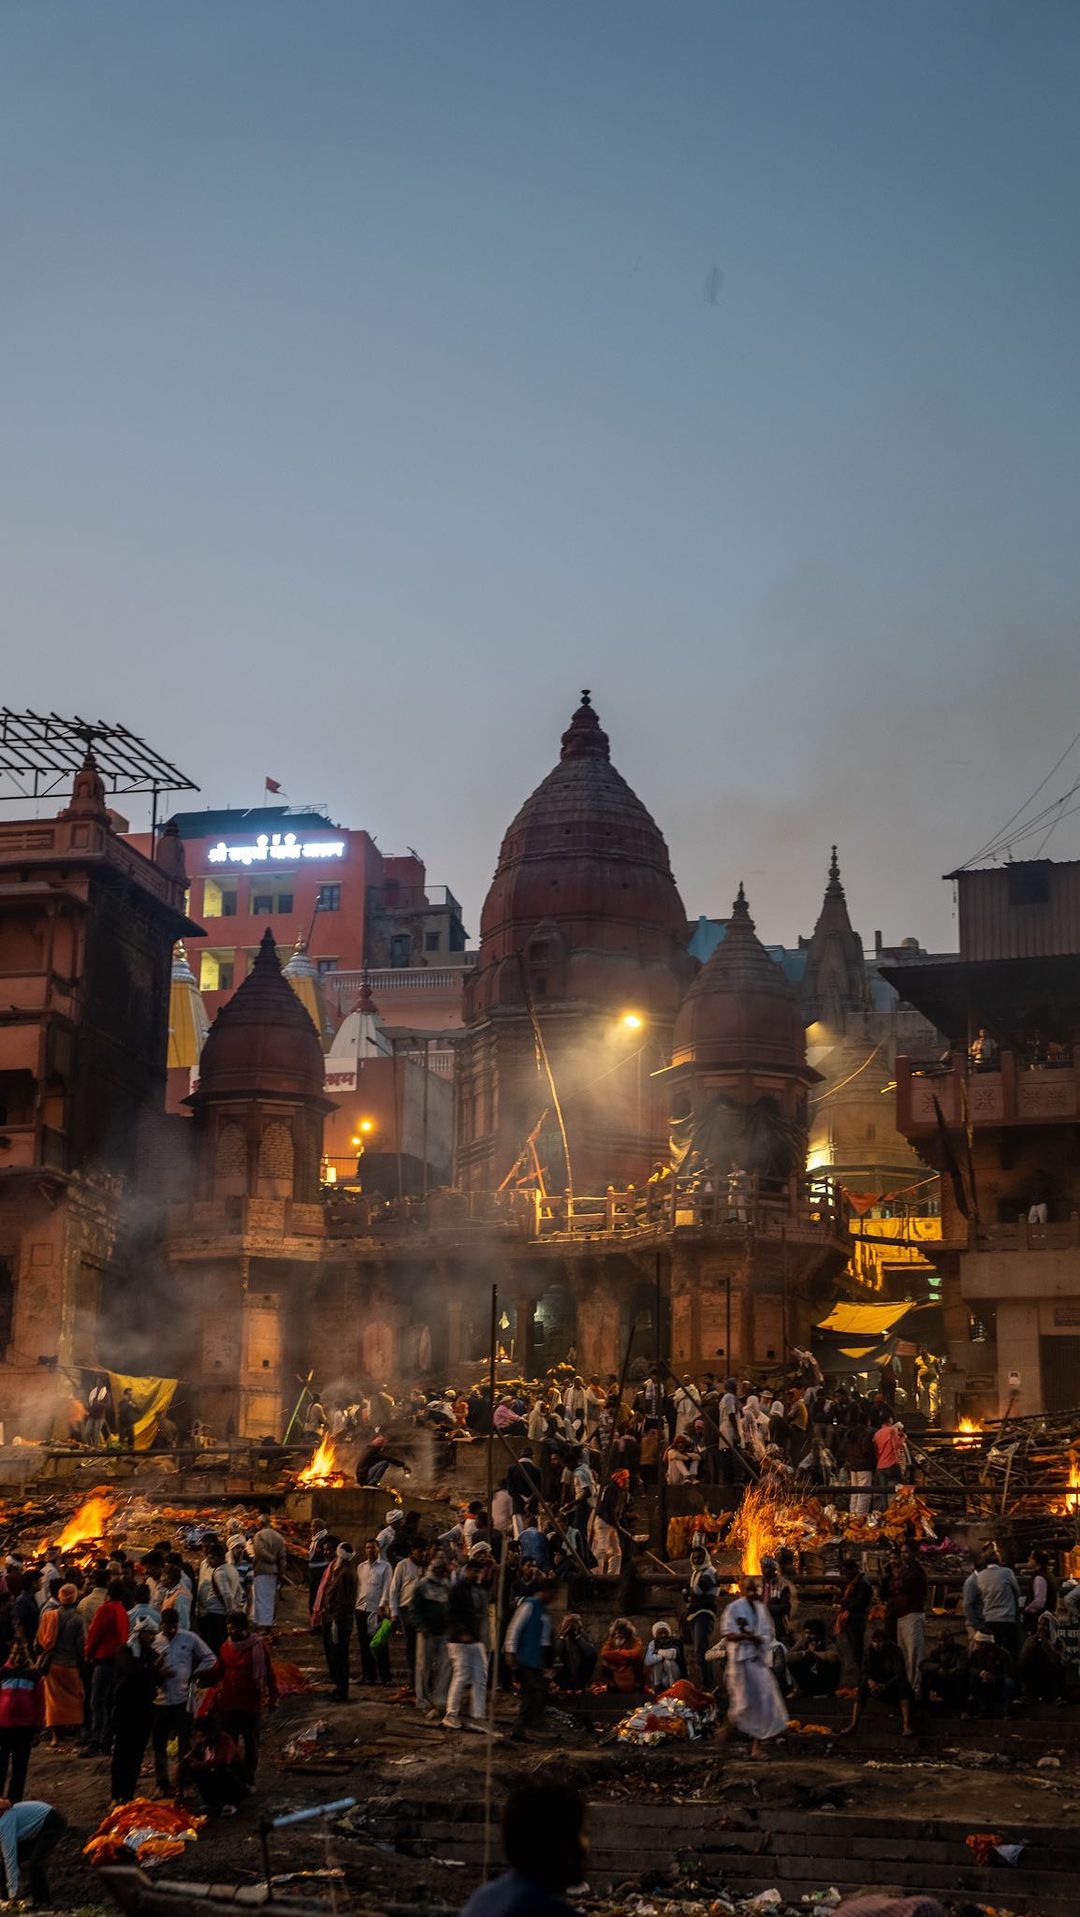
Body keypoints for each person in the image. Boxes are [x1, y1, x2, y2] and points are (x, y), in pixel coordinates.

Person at [459, 1783, 587, 1917]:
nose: (586, 1847)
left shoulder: (484, 1898)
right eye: (582, 1834)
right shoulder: (547, 1911)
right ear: (560, 1845)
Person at [152, 1610, 215, 1795]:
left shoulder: (189, 1638)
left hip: (183, 1699)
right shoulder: (154, 1641)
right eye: (168, 1626)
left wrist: (196, 1675)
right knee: (158, 1743)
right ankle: (161, 1783)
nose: (171, 1630)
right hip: (160, 1700)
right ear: (161, 1625)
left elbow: (210, 1657)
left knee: (186, 1742)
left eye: (174, 1626)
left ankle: (184, 1781)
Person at [212, 1611, 278, 1785]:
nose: (229, 1631)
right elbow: (218, 1671)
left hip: (251, 1705)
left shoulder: (258, 1646)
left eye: (233, 1628)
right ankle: (233, 1781)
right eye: (228, 1627)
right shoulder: (225, 1647)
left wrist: (273, 1697)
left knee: (251, 1747)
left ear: (243, 1629)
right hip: (229, 1705)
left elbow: (269, 1673)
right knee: (229, 1746)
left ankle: (248, 1780)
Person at [111, 1623, 162, 1804]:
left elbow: (157, 1676)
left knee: (136, 1754)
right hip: (125, 1708)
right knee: (122, 1754)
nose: (152, 1638)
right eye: (149, 1634)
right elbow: (133, 1670)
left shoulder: (150, 1654)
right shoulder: (125, 1650)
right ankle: (117, 1794)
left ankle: (128, 1794)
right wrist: (151, 1668)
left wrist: (152, 1669)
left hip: (144, 1709)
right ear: (140, 1634)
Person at [443, 1552, 489, 1733]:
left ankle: (478, 1716)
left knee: (481, 1675)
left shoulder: (476, 1588)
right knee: (461, 1675)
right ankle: (451, 1714)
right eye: (475, 1572)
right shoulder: (457, 1589)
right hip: (459, 1640)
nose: (478, 1575)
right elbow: (451, 1614)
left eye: (480, 1572)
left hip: (473, 1639)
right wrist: (461, 1632)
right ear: (468, 1570)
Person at [505, 1577, 555, 1741]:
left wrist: (548, 1661)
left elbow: (545, 1639)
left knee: (536, 1692)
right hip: (526, 1657)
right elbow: (514, 1629)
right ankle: (523, 1727)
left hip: (536, 1659)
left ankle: (529, 1725)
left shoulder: (543, 1611)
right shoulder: (529, 1606)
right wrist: (510, 1652)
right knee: (532, 1692)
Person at [84, 1579, 130, 1753]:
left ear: (108, 1594)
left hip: (103, 1659)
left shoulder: (106, 1609)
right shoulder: (122, 1610)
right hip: (118, 1661)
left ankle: (96, 1739)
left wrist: (88, 1653)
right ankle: (107, 1739)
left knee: (97, 1701)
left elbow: (95, 1633)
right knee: (110, 1701)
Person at [36, 1583, 84, 1746]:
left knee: (53, 1700)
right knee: (75, 1698)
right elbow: (80, 1645)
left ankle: (55, 1737)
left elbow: (39, 1642)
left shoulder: (48, 1616)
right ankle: (77, 1734)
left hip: (52, 1665)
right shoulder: (78, 1619)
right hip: (71, 1665)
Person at [843, 1626, 913, 1737]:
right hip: (875, 1685)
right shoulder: (869, 1651)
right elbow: (864, 1671)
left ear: (886, 1642)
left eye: (879, 1642)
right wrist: (870, 1681)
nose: (876, 1645)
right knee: (862, 1687)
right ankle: (854, 1724)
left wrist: (885, 1686)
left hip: (892, 1685)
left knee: (903, 1686)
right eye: (874, 1642)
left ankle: (906, 1725)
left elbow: (900, 1674)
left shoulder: (895, 1651)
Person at [0, 1640, 45, 1804]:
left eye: (21, 1653)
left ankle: (14, 1801)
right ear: (11, 1653)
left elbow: (40, 1703)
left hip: (25, 1728)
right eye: (16, 1652)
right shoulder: (3, 1673)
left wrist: (38, 1729)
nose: (18, 1656)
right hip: (3, 1727)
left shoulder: (34, 1675)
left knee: (20, 1768)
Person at [177, 1718, 250, 1818]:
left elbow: (224, 1760)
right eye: (197, 1736)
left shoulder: (224, 1739)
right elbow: (184, 1764)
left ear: (211, 1733)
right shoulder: (202, 1745)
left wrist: (200, 1764)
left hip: (235, 1780)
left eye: (202, 1736)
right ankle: (213, 1803)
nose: (199, 1739)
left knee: (220, 1770)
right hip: (214, 1777)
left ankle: (230, 1802)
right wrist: (179, 1792)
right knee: (194, 1769)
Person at [0, 1798, 66, 1905]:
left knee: (33, 1863)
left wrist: (13, 1892)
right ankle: (4, 1899)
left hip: (51, 1823)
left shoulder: (4, 1823)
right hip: (31, 1830)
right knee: (4, 1863)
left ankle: (43, 1901)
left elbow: (10, 1857)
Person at [314, 1543, 357, 1703]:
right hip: (335, 1618)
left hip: (339, 1620)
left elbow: (343, 1601)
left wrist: (334, 1617)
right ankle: (339, 1688)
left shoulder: (346, 1573)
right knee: (335, 1655)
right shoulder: (342, 1571)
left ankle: (341, 1690)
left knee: (339, 1656)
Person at [410, 1554, 451, 1719]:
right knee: (423, 1666)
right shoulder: (422, 1586)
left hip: (444, 1633)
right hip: (426, 1632)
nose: (441, 1572)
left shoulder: (447, 1586)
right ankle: (422, 1698)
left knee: (444, 1667)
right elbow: (414, 1610)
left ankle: (440, 1697)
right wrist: (421, 1626)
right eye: (439, 1569)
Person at [885, 1543, 928, 1691]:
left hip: (912, 1615)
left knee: (914, 1655)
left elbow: (900, 1585)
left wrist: (896, 1582)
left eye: (906, 1552)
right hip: (901, 1616)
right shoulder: (906, 1571)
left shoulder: (916, 1571)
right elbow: (892, 1586)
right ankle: (906, 1687)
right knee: (904, 1655)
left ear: (914, 1553)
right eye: (902, 1552)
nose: (903, 1555)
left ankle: (915, 1688)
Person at [356, 1539, 392, 1686]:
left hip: (376, 1609)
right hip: (361, 1608)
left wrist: (382, 1605)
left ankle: (386, 1677)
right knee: (364, 1644)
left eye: (372, 1547)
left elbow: (387, 1587)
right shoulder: (361, 1567)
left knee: (379, 1644)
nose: (369, 1550)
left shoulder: (385, 1567)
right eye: (367, 1547)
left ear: (378, 1549)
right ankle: (368, 1675)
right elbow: (360, 1586)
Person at [196, 1542, 242, 1655]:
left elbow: (226, 1593)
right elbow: (239, 1591)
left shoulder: (219, 1572)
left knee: (215, 1646)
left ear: (220, 1557)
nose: (210, 1561)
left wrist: (230, 1611)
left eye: (212, 1558)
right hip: (223, 1613)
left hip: (215, 1613)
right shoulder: (232, 1569)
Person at [684, 1545, 719, 1687]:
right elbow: (687, 1594)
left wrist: (688, 1592)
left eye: (699, 1557)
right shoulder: (695, 1573)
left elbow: (697, 1591)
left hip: (704, 1614)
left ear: (705, 1557)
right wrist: (688, 1593)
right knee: (698, 1651)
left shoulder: (710, 1572)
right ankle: (706, 1683)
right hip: (694, 1614)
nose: (697, 1560)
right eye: (694, 1557)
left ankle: (709, 1684)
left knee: (701, 1650)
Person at [975, 1551, 1021, 1658]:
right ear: (999, 1560)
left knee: (992, 1652)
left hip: (989, 1618)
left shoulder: (980, 1576)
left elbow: (980, 1595)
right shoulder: (1007, 1572)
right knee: (1009, 1651)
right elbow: (1017, 1591)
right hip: (1007, 1619)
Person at [248, 1511, 288, 1631]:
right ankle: (268, 1622)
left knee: (260, 1598)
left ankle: (263, 1624)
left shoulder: (259, 1535)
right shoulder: (278, 1536)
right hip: (274, 1572)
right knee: (270, 1598)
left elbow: (260, 1552)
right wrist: (281, 1572)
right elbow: (282, 1557)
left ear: (260, 1523)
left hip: (262, 1570)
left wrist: (271, 1559)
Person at [787, 1619, 841, 1698]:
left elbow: (834, 1657)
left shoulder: (826, 1641)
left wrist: (815, 1654)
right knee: (794, 1662)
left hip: (824, 1680)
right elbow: (789, 1656)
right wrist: (804, 1654)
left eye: (811, 1633)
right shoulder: (804, 1641)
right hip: (810, 1679)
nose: (807, 1636)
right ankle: (804, 1689)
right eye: (806, 1633)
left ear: (818, 1634)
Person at [1019, 1612, 1067, 1702]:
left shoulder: (1059, 1642)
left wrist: (1045, 1643)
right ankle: (1028, 1694)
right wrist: (1033, 1643)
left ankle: (1059, 1697)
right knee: (1024, 1665)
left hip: (1050, 1674)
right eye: (1039, 1624)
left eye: (1044, 1625)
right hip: (1036, 1673)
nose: (1041, 1627)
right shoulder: (1031, 1639)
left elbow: (1056, 1660)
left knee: (1060, 1666)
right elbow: (1023, 1658)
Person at [837, 1556, 873, 1670]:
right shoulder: (856, 1582)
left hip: (856, 1619)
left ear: (852, 1569)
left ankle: (861, 1675)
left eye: (847, 1573)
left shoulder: (862, 1584)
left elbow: (858, 1603)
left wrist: (844, 1603)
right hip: (853, 1618)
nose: (846, 1576)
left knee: (857, 1650)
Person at [966, 1630, 1013, 1718]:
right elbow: (970, 1668)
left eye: (980, 1644)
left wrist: (994, 1677)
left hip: (998, 1683)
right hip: (982, 1682)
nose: (978, 1646)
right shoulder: (976, 1654)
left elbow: (1009, 1673)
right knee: (971, 1680)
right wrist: (981, 1673)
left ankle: (1007, 1711)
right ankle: (982, 1709)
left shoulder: (1003, 1654)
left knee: (1008, 1682)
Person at [918, 1633, 968, 1712]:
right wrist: (938, 1668)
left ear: (951, 1639)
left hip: (954, 1679)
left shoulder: (960, 1650)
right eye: (940, 1640)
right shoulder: (936, 1651)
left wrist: (947, 1672)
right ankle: (923, 1709)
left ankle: (962, 1710)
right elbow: (923, 1665)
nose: (943, 1643)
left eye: (945, 1640)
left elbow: (961, 1667)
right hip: (940, 1680)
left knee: (961, 1676)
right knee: (925, 1675)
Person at [597, 1618, 645, 1694]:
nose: (619, 1634)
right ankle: (611, 1686)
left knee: (639, 1660)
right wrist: (618, 1655)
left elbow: (637, 1652)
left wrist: (618, 1653)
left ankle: (637, 1686)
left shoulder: (634, 1640)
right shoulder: (611, 1640)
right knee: (605, 1662)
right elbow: (604, 1653)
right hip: (615, 1669)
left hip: (630, 1668)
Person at [553, 1615, 596, 1693]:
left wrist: (577, 1636)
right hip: (564, 1673)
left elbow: (591, 1653)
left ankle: (579, 1685)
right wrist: (562, 1636)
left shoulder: (583, 1635)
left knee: (591, 1656)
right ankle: (563, 1685)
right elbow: (556, 1653)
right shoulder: (558, 1635)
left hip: (580, 1673)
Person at [644, 1621, 686, 1694]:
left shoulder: (675, 1642)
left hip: (675, 1675)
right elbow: (647, 1661)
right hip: (661, 1677)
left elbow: (671, 1654)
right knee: (657, 1662)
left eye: (665, 1632)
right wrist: (662, 1657)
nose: (663, 1635)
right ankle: (657, 1686)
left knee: (668, 1662)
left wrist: (657, 1651)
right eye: (660, 1633)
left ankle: (673, 1687)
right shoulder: (653, 1643)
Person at [1022, 1549, 1058, 1634]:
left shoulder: (1040, 1577)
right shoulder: (1049, 1575)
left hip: (1040, 1622)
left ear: (1036, 1561)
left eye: (1031, 1557)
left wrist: (1027, 1609)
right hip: (1047, 1619)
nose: (1029, 1559)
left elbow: (1039, 1602)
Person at [307, 1523, 334, 1619]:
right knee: (313, 1593)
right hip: (313, 1570)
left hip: (321, 1570)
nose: (311, 1529)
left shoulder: (324, 1539)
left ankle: (318, 1616)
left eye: (312, 1526)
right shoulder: (315, 1539)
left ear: (318, 1528)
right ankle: (313, 1615)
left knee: (319, 1593)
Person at [85, 1380, 110, 1448]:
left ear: (103, 1383)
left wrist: (98, 1403)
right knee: (87, 1432)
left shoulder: (106, 1394)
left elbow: (107, 1405)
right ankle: (90, 1446)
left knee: (96, 1433)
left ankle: (94, 1448)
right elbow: (89, 1402)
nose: (98, 1383)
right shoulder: (93, 1391)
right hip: (91, 1415)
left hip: (100, 1416)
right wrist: (88, 1407)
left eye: (99, 1381)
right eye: (97, 1381)